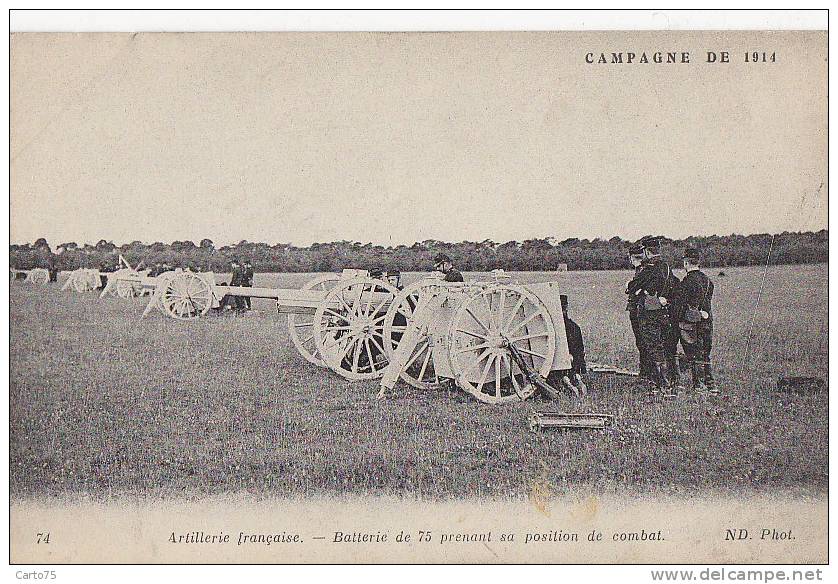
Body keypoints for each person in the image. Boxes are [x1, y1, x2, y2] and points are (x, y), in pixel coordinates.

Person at [626, 235, 677, 395]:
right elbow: (675, 286)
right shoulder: (667, 267)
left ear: (647, 252)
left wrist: (633, 286)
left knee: (653, 348)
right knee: (665, 347)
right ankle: (671, 381)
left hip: (649, 315)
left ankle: (661, 385)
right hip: (664, 313)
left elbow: (632, 287)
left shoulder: (649, 269)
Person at [675, 247, 716, 394]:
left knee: (694, 354)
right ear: (698, 262)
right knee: (705, 353)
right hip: (707, 321)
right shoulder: (708, 281)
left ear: (686, 263)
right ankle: (711, 384)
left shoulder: (686, 282)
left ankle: (699, 385)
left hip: (692, 324)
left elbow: (680, 306)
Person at [625, 242, 651, 380]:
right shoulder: (643, 269)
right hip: (639, 309)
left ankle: (646, 372)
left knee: (642, 341)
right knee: (642, 341)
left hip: (639, 310)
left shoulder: (642, 271)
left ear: (631, 257)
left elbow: (634, 290)